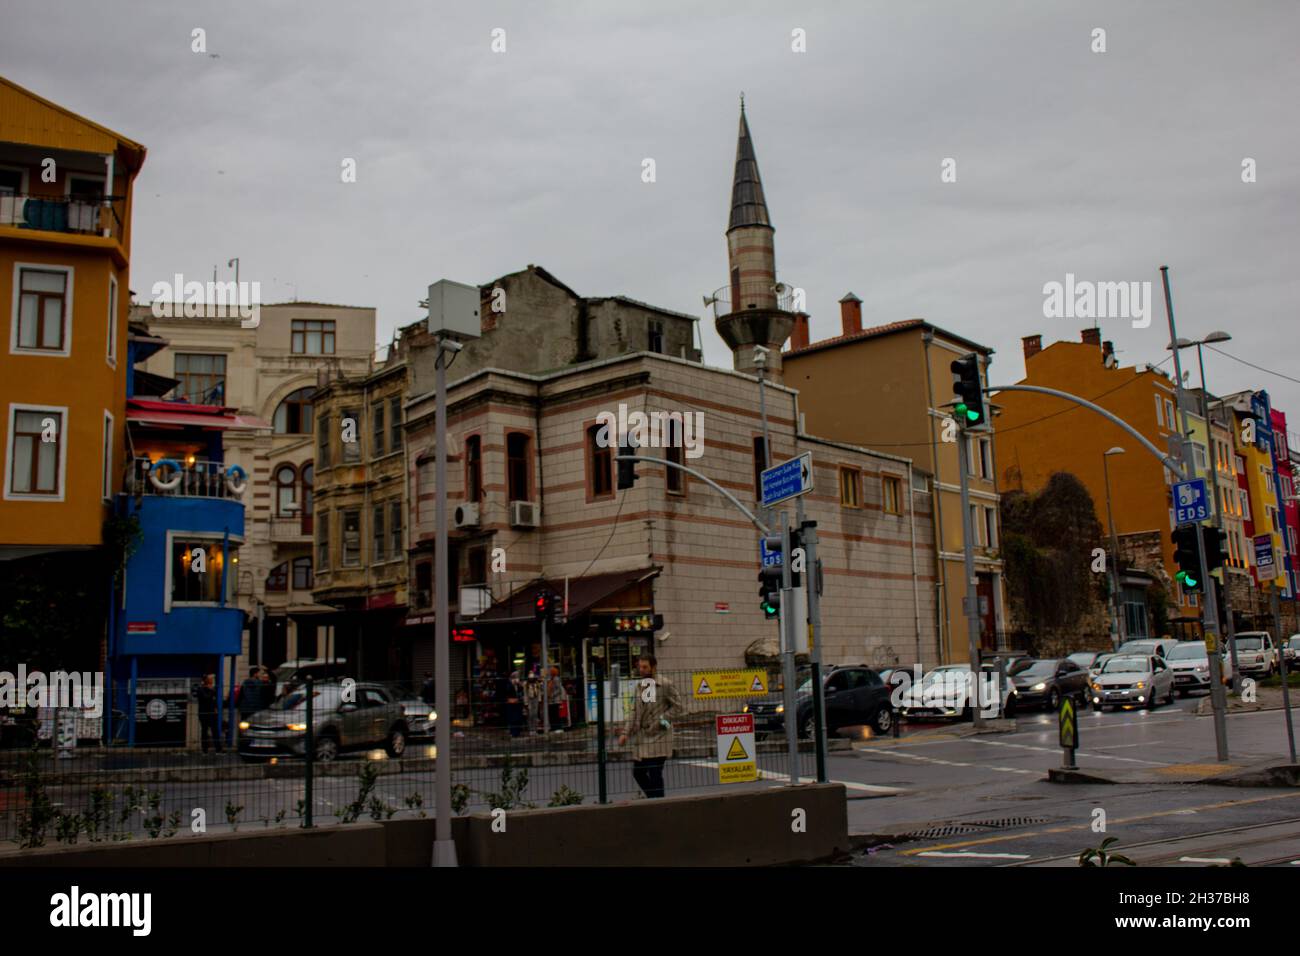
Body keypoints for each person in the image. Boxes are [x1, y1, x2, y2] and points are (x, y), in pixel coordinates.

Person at [617, 655, 683, 798]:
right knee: (638, 772)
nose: (641, 670)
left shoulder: (665, 684)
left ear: (653, 667)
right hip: (643, 737)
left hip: (661, 736)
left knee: (655, 772)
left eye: (645, 667)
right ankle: (654, 800)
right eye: (639, 667)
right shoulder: (640, 686)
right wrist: (625, 733)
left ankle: (657, 804)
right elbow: (634, 711)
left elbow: (678, 707)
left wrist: (662, 720)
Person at [192, 674, 221, 753]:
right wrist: (211, 690)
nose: (212, 681)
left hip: (211, 712)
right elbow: (206, 698)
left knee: (214, 730)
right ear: (207, 681)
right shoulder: (201, 689)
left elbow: (213, 700)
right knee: (204, 731)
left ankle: (218, 749)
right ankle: (205, 749)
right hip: (204, 713)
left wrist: (215, 708)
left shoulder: (212, 689)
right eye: (210, 680)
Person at [547, 665, 570, 731]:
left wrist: (552, 695)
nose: (549, 672)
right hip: (551, 700)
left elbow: (559, 690)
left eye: (550, 671)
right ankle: (554, 727)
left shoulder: (556, 679)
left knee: (555, 713)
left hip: (555, 700)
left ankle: (557, 727)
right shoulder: (551, 679)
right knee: (552, 714)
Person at [524, 667, 544, 734]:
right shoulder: (526, 684)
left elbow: (539, 692)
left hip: (535, 699)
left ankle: (535, 729)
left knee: (535, 714)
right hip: (530, 699)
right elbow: (525, 694)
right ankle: (531, 729)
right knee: (530, 714)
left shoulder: (537, 684)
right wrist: (526, 703)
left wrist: (539, 700)